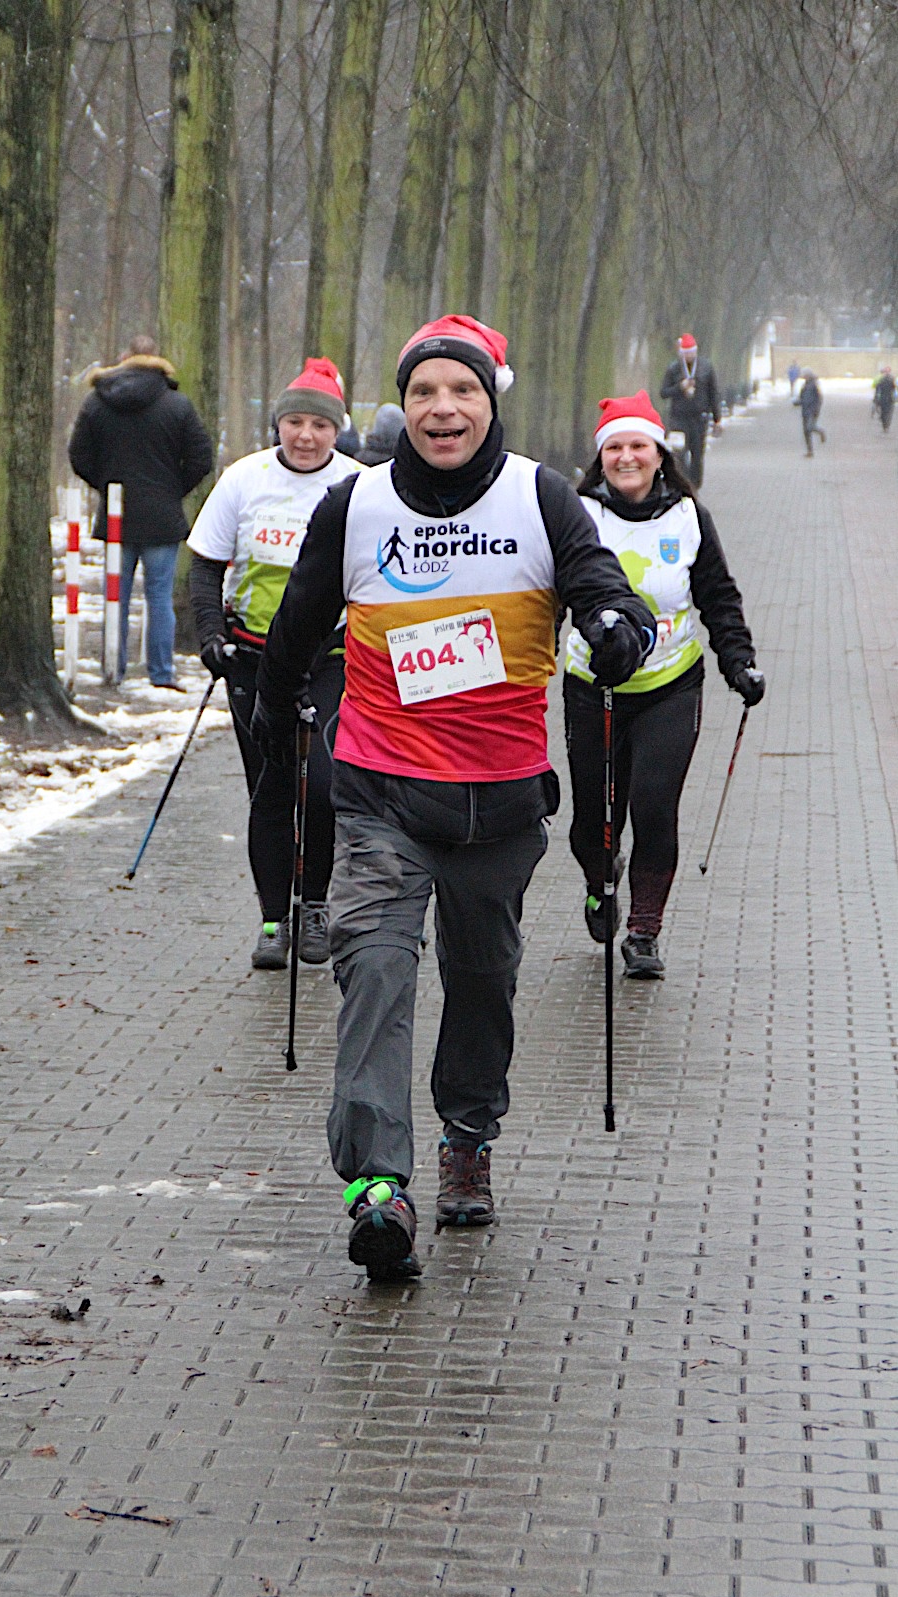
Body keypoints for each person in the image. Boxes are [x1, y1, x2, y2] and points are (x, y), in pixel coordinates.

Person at [254, 316, 656, 1281]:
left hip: (499, 805)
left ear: (488, 402)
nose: (443, 408)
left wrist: (616, 627)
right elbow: (297, 625)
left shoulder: (539, 497)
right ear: (403, 406)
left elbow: (606, 590)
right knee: (373, 970)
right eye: (424, 392)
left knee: (482, 981)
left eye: (462, 390)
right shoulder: (355, 505)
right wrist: (277, 720)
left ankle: (467, 1136)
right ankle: (376, 1186)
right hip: (381, 795)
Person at [563, 390, 765, 982]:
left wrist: (738, 661)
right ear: (601, 457)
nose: (626, 457)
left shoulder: (688, 517)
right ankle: (600, 879)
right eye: (614, 448)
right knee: (594, 820)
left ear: (658, 454)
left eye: (638, 446)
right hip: (593, 686)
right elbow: (546, 595)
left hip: (670, 683)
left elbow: (718, 597)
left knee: (654, 807)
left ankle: (644, 930)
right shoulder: (577, 514)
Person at [186, 358, 361, 969]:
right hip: (254, 657)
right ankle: (272, 919)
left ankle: (315, 907)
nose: (306, 436)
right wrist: (210, 635)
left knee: (323, 784)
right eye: (295, 422)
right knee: (271, 786)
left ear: (337, 430)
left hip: (328, 658)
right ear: (278, 424)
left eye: (320, 425)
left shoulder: (360, 486)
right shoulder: (244, 479)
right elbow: (205, 565)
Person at [68, 336, 213, 689]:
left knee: (114, 596)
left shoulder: (97, 402)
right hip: (162, 516)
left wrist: (107, 486)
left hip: (116, 515)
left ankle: (112, 668)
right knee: (159, 597)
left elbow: (79, 455)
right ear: (157, 359)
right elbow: (201, 458)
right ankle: (161, 673)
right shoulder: (178, 405)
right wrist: (173, 489)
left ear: (124, 358)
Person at [660, 332, 721, 488]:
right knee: (679, 454)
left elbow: (713, 393)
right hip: (678, 418)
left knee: (697, 454)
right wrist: (680, 387)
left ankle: (695, 485)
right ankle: (684, 483)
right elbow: (664, 392)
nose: (689, 356)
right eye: (686, 353)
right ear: (681, 353)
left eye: (692, 353)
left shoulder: (706, 367)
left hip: (699, 418)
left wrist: (717, 418)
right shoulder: (674, 369)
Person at [798, 369, 825, 456]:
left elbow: (820, 398)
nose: (803, 377)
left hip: (812, 411)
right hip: (805, 410)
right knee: (806, 431)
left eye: (805, 375)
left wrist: (816, 408)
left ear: (808, 375)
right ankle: (810, 451)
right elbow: (802, 397)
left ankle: (820, 431)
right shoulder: (804, 385)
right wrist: (799, 402)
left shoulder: (814, 385)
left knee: (810, 427)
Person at [873, 367, 895, 432]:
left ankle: (886, 425)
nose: (887, 373)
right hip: (883, 399)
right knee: (884, 413)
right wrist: (876, 398)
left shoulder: (892, 380)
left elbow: (894, 389)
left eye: (888, 371)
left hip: (889, 399)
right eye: (886, 371)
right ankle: (885, 425)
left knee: (888, 413)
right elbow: (877, 389)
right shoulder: (881, 380)